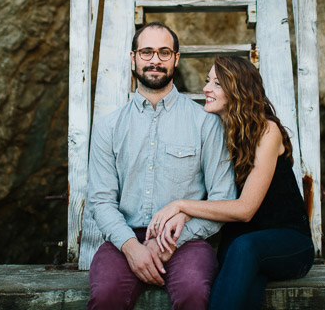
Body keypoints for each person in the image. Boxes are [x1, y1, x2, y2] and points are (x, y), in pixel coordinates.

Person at [86, 22, 237, 309]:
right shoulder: (109, 127)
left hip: (187, 239)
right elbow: (100, 200)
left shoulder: (206, 123)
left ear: (176, 59)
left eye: (164, 52)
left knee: (195, 293)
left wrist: (171, 241)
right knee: (106, 296)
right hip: (124, 238)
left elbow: (223, 197)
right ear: (133, 58)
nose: (155, 60)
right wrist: (131, 247)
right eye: (147, 52)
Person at [146, 55, 314, 309]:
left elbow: (245, 209)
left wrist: (180, 205)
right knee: (243, 275)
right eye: (207, 81)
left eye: (216, 83)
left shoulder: (267, 131)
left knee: (245, 249)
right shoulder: (215, 130)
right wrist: (184, 214)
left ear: (238, 90)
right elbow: (208, 192)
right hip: (240, 247)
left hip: (288, 243)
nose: (205, 88)